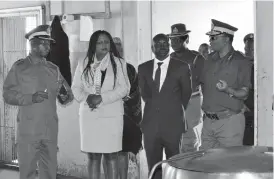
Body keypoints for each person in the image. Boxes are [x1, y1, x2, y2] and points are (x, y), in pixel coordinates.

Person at [2, 25, 74, 179]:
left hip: (50, 129)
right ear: (33, 45)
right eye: (44, 43)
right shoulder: (20, 68)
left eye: (49, 44)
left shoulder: (53, 69)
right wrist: (30, 98)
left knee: (49, 172)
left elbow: (67, 94)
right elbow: (7, 95)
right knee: (27, 172)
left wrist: (66, 95)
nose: (48, 47)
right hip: (29, 130)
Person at [71, 30, 130, 179]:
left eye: (106, 42)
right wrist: (88, 98)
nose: (104, 45)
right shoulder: (83, 63)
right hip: (89, 117)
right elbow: (76, 88)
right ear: (93, 45)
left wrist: (101, 98)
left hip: (112, 117)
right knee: (93, 156)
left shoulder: (119, 63)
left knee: (111, 156)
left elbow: (124, 89)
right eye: (100, 42)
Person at [138, 33, 192, 179]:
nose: (162, 47)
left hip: (173, 125)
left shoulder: (182, 67)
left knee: (174, 166)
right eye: (158, 44)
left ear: (169, 46)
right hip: (150, 126)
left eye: (165, 44)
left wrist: (172, 108)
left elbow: (186, 94)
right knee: (153, 167)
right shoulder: (143, 68)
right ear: (152, 47)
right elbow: (145, 95)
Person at [199, 19, 252, 150]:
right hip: (208, 122)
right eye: (210, 37)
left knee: (229, 165)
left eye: (213, 37)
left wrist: (228, 89)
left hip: (229, 122)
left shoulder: (241, 61)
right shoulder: (209, 60)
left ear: (226, 39)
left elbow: (244, 94)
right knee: (206, 166)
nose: (210, 41)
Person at [102, 37, 143, 179]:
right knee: (107, 153)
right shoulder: (101, 69)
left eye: (120, 47)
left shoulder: (129, 69)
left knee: (122, 152)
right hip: (106, 118)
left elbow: (135, 94)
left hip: (125, 118)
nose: (117, 50)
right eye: (114, 47)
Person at [167, 23, 205, 153]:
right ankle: (177, 171)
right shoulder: (169, 58)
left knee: (190, 140)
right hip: (174, 102)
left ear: (186, 39)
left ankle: (190, 171)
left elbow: (205, 84)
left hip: (191, 101)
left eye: (178, 39)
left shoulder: (196, 58)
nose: (174, 42)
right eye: (172, 39)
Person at [243, 33, 254, 146]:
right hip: (245, 113)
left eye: (251, 49)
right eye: (246, 48)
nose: (247, 51)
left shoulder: (267, 67)